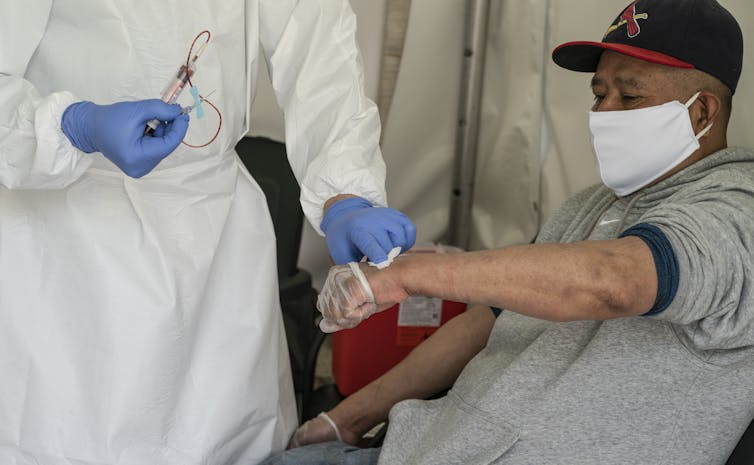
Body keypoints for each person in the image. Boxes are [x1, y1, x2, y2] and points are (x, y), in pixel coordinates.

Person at [263, 0, 754, 464]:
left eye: (629, 96)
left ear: (701, 113)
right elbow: (482, 324)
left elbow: (614, 282)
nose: (603, 115)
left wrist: (411, 275)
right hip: (424, 445)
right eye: (599, 94)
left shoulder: (736, 209)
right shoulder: (591, 205)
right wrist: (347, 418)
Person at [0, 2, 416, 464]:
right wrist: (72, 126)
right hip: (64, 242)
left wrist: (345, 193)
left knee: (224, 438)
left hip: (216, 238)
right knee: (66, 438)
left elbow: (320, 51)